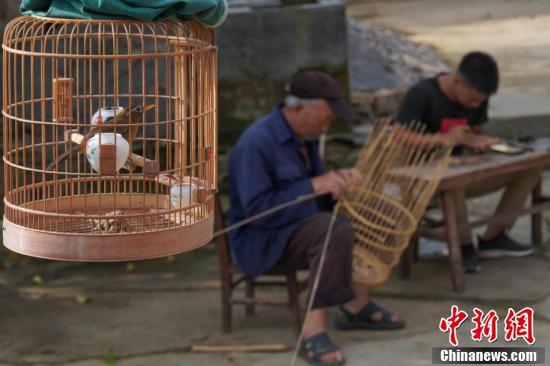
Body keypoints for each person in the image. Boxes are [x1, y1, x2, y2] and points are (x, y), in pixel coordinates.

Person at [228, 71, 405, 366]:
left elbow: (319, 198)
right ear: (297, 108)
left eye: (330, 122)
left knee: (375, 212)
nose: (326, 128)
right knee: (331, 230)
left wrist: (338, 183)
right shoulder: (256, 142)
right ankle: (313, 331)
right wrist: (314, 185)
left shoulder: (305, 137)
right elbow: (259, 212)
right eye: (323, 119)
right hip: (263, 240)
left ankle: (355, 303)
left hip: (301, 227)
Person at [395, 51, 537, 273]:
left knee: (529, 169)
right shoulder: (422, 94)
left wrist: (480, 141)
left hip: (460, 171)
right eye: (473, 99)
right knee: (454, 183)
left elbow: (475, 132)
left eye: (481, 101)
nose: (475, 105)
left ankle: (494, 237)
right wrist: (444, 139)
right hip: (422, 182)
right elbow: (400, 137)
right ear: (457, 81)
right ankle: (463, 246)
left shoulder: (478, 98)